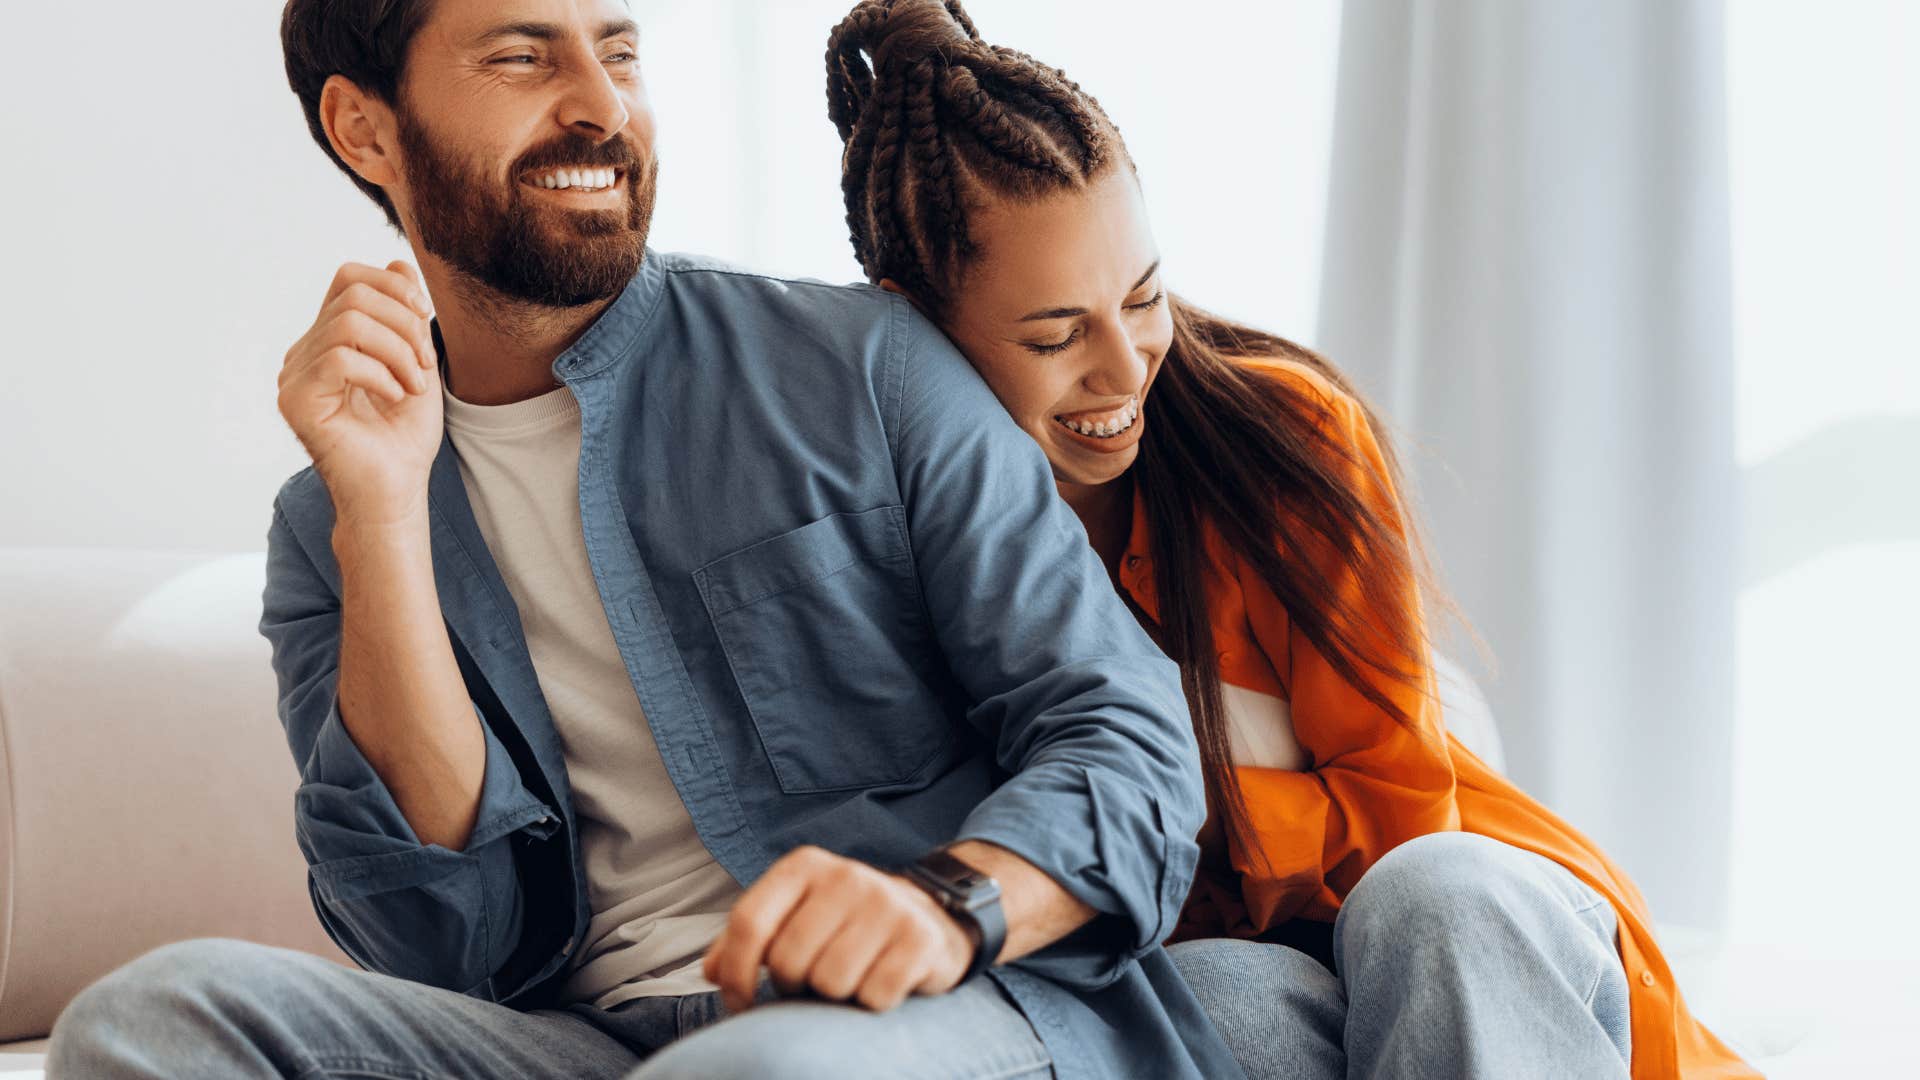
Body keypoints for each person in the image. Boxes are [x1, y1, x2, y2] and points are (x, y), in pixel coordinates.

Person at [45, 1, 1244, 1078]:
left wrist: (946, 906)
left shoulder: (863, 367)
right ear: (365, 129)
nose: (601, 105)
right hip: (573, 1041)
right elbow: (427, 935)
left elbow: (1126, 736)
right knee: (153, 1018)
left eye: (618, 51)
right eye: (524, 57)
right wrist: (384, 513)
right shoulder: (330, 525)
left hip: (925, 1011)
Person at [823, 1, 1757, 1077]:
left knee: (1432, 898)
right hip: (1274, 975)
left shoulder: (1282, 435)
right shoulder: (875, 547)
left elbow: (1402, 815)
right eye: (1055, 335)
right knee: (1204, 996)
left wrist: (1160, 804)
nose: (1125, 371)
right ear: (909, 321)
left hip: (1475, 938)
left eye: (1142, 298)